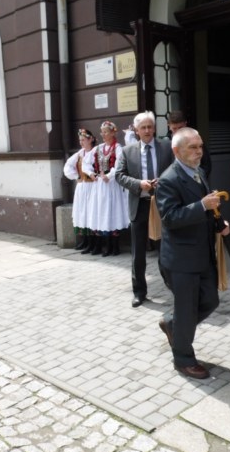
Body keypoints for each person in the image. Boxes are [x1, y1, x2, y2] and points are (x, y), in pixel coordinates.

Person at [156, 127, 229, 379]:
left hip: (202, 254)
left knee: (210, 300)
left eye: (200, 147)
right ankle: (183, 360)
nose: (199, 152)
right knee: (187, 310)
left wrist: (219, 223)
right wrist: (201, 206)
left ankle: (174, 326)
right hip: (181, 259)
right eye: (193, 148)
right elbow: (170, 217)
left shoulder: (199, 171)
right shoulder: (168, 179)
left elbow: (207, 209)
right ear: (177, 151)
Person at [115, 111, 173, 307]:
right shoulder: (127, 151)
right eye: (143, 128)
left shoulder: (166, 146)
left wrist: (162, 182)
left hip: (162, 204)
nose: (147, 131)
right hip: (140, 205)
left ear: (154, 128)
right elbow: (119, 175)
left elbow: (176, 169)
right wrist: (139, 184)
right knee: (138, 253)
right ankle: (139, 292)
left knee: (165, 250)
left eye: (150, 127)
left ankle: (173, 287)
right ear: (136, 130)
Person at [84, 121, 129, 256]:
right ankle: (105, 245)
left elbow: (119, 165)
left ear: (113, 133)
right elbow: (85, 163)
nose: (103, 134)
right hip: (100, 186)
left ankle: (115, 247)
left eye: (106, 132)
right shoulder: (98, 148)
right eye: (102, 132)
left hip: (112, 185)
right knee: (101, 212)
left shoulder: (118, 148)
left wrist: (109, 176)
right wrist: (91, 173)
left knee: (112, 212)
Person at [63, 129, 96, 251]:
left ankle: (93, 243)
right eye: (80, 140)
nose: (81, 142)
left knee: (92, 213)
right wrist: (76, 176)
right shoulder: (79, 154)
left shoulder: (96, 152)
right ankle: (85, 241)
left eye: (83, 140)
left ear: (90, 139)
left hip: (93, 187)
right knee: (82, 213)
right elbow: (67, 166)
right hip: (81, 187)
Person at [167, 111, 212, 179]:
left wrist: (196, 180)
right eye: (174, 128)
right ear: (169, 126)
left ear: (185, 124)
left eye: (180, 128)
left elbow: (206, 164)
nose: (178, 131)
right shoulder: (165, 143)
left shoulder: (195, 139)